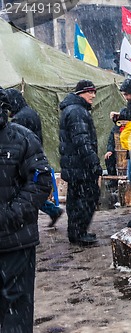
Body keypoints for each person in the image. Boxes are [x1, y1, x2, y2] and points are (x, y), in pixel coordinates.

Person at [0, 90, 52, 333]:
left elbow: (40, 180)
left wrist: (11, 215)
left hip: (16, 242)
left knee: (17, 310)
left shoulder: (21, 138)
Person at [4, 88, 64, 226]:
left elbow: (16, 142)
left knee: (26, 191)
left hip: (26, 160)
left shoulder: (20, 118)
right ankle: (53, 211)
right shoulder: (30, 113)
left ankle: (52, 211)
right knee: (31, 190)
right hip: (33, 156)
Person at [59, 80, 102, 245]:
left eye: (94, 92)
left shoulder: (72, 109)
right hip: (81, 167)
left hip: (74, 166)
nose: (93, 95)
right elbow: (82, 142)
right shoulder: (77, 112)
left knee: (75, 200)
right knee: (86, 199)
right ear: (80, 93)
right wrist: (94, 164)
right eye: (89, 92)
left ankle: (76, 232)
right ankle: (79, 233)